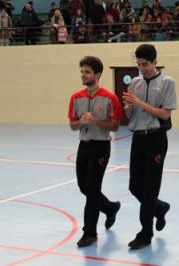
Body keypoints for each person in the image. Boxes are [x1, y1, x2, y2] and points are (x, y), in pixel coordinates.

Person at [122, 44, 177, 249]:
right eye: (139, 65)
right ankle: (160, 208)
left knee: (150, 188)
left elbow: (165, 114)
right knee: (135, 186)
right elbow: (130, 115)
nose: (142, 68)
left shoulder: (166, 82)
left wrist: (139, 103)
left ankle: (145, 233)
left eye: (145, 64)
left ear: (155, 62)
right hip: (138, 138)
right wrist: (128, 107)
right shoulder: (135, 82)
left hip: (156, 138)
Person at [68, 56, 122, 247]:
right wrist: (81, 122)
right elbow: (73, 126)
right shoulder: (75, 98)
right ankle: (110, 208)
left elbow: (115, 126)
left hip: (100, 147)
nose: (83, 75)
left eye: (87, 72)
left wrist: (96, 121)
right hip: (83, 146)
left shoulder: (110, 98)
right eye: (82, 72)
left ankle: (89, 232)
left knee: (92, 190)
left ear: (97, 74)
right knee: (83, 187)